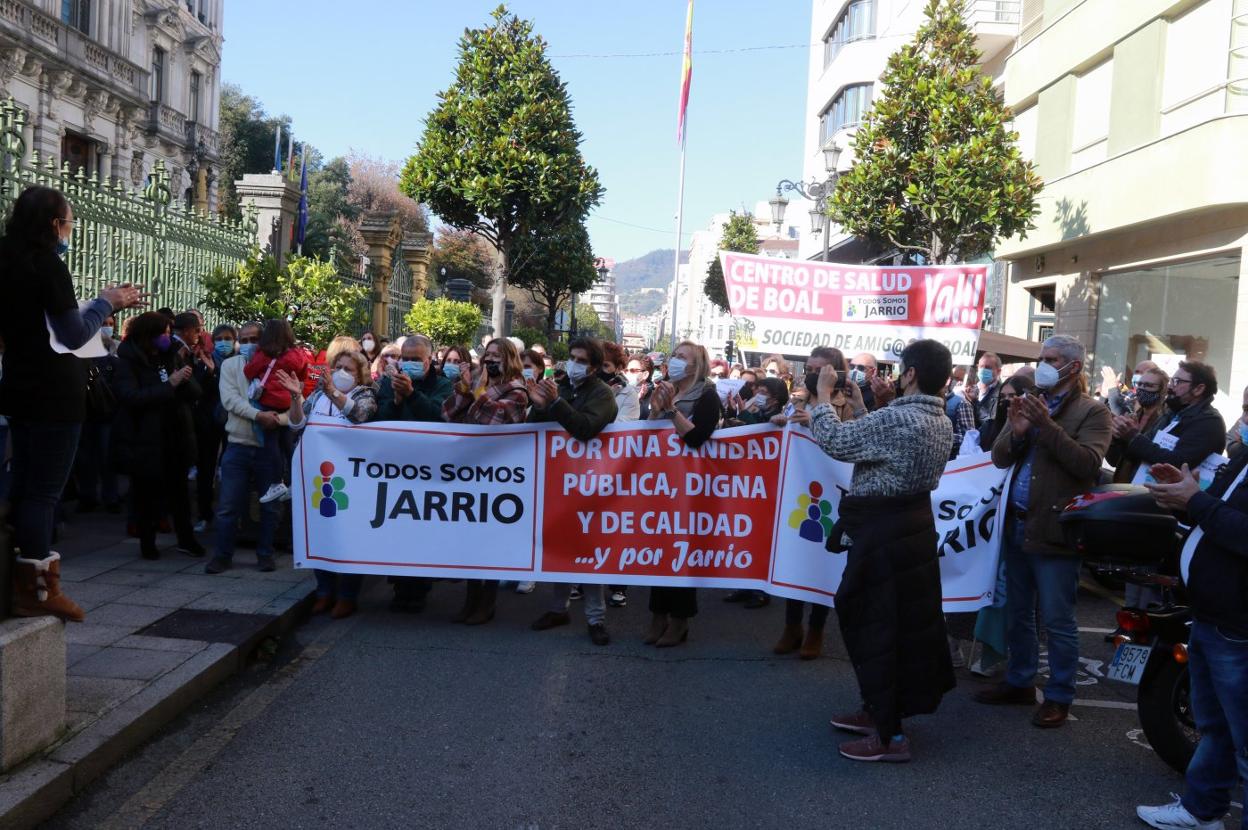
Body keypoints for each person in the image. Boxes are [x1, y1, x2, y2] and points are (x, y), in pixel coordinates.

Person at [790, 339, 955, 763]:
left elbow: (840, 443)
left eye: (902, 368)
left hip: (885, 531)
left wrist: (824, 396)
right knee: (896, 623)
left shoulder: (903, 420)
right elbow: (875, 442)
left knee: (876, 623)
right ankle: (878, 710)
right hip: (911, 527)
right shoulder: (936, 418)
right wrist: (864, 403)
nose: (897, 375)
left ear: (913, 373)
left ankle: (890, 735)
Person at [0, 186, 144, 621]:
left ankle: (15, 576)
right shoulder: (48, 266)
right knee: (44, 493)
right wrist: (107, 302)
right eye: (69, 222)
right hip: (55, 394)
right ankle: (40, 588)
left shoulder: (4, 257)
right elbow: (72, 335)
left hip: (17, 385)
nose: (70, 230)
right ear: (52, 224)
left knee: (21, 485)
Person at [975, 335, 1112, 729]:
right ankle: (1019, 681)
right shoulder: (1030, 400)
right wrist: (1017, 431)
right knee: (1017, 613)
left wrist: (1046, 426)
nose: (1044, 365)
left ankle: (1059, 696)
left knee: (1057, 618)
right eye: (1041, 358)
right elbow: (1000, 455)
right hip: (1018, 523)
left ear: (1074, 366)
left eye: (1051, 359)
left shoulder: (1092, 411)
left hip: (1055, 529)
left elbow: (1087, 464)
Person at [1135, 458, 1248, 830]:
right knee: (1215, 726)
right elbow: (1214, 517)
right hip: (1211, 617)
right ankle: (1203, 809)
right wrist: (1185, 498)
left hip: (1238, 626)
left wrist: (1195, 500)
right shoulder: (1243, 457)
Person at [528, 337, 619, 645]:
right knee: (561, 544)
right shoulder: (563, 388)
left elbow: (585, 428)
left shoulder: (602, 395)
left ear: (593, 367)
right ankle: (558, 609)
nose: (574, 364)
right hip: (559, 480)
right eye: (571, 357)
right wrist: (539, 407)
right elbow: (536, 426)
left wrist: (554, 403)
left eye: (581, 360)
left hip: (591, 482)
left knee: (588, 549)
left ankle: (596, 619)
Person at [774, 346, 862, 652]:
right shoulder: (797, 399)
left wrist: (813, 422)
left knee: (825, 557)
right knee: (795, 551)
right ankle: (791, 626)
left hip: (830, 492)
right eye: (809, 369)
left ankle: (816, 629)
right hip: (798, 490)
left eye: (818, 370)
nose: (811, 374)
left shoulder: (846, 403)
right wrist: (780, 421)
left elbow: (851, 441)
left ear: (833, 372)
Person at [284, 348, 378, 618]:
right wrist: (295, 398)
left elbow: (360, 416)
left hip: (351, 479)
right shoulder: (318, 395)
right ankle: (324, 591)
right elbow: (296, 424)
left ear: (360, 374)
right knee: (320, 531)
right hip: (320, 477)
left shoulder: (364, 394)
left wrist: (333, 393)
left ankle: (348, 596)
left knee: (349, 536)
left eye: (349, 369)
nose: (342, 373)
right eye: (338, 367)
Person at [443, 337, 530, 624]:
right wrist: (464, 391)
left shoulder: (518, 391)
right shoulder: (480, 385)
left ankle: (487, 602)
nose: (490, 360)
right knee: (470, 538)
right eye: (487, 354)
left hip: (499, 476)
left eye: (497, 356)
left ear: (509, 360)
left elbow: (493, 421)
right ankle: (470, 599)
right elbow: (447, 415)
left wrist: (479, 393)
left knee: (490, 540)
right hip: (471, 472)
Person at [644, 339, 720, 647]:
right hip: (661, 483)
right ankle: (657, 615)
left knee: (682, 552)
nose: (675, 360)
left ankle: (679, 620)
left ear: (695, 365)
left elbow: (698, 438)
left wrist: (672, 410)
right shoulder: (662, 390)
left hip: (690, 486)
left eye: (682, 357)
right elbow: (645, 433)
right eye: (674, 355)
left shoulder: (707, 396)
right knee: (659, 549)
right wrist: (656, 409)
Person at [111, 311, 203, 561]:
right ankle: (147, 542)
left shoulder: (170, 355)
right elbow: (131, 397)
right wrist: (168, 385)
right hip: (145, 439)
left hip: (176, 435)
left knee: (180, 493)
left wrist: (184, 377)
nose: (167, 337)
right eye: (162, 333)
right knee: (146, 495)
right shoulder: (128, 361)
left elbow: (194, 392)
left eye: (168, 332)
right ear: (148, 335)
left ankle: (186, 539)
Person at [372, 335, 453, 612]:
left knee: (422, 528)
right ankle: (399, 585)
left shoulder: (442, 384)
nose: (409, 364)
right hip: (395, 467)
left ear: (429, 361)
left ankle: (419, 587)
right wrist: (395, 400)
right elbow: (377, 419)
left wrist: (412, 395)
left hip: (429, 469)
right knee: (396, 526)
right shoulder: (387, 382)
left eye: (416, 360)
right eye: (405, 359)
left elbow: (439, 416)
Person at [205, 322, 284, 575]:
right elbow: (230, 400)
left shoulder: (277, 365)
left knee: (269, 506)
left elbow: (295, 405)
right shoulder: (230, 366)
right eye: (245, 339)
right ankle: (222, 555)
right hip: (238, 446)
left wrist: (277, 419)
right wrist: (258, 416)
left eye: (255, 339)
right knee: (229, 505)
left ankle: (265, 554)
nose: (250, 344)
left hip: (267, 448)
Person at [1111, 360, 1226, 482]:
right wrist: (1123, 436)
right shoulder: (1172, 414)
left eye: (1177, 382)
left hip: (1171, 498)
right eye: (1172, 380)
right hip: (1143, 488)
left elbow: (1178, 463)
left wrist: (1133, 437)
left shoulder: (1209, 422)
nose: (1170, 386)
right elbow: (1139, 452)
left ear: (1198, 389)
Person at [243, 319, 307, 504]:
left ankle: (276, 482)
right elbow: (303, 375)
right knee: (288, 444)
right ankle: (296, 482)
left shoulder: (263, 354)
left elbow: (248, 372)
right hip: (289, 402)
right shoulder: (297, 354)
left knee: (271, 445)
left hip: (269, 402)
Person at [187, 323, 235, 531]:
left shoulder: (241, 363)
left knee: (231, 469)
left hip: (233, 422)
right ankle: (204, 514)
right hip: (208, 422)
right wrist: (209, 372)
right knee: (206, 469)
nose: (224, 343)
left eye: (228, 338)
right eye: (219, 339)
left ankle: (231, 515)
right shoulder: (205, 361)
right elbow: (197, 390)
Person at [1105, 366, 1169, 484]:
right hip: (1123, 483)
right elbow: (1114, 460)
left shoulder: (1166, 420)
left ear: (1162, 390)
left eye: (1149, 385)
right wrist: (1115, 438)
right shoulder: (1132, 416)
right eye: (1140, 384)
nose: (1142, 388)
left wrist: (1132, 436)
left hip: (1146, 485)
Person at [978, 375, 1036, 452]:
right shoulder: (989, 427)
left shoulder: (1034, 428)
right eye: (1002, 396)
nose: (1006, 400)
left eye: (1012, 396)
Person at [602, 341, 640, 422]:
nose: (599, 370)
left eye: (605, 365)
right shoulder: (585, 387)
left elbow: (620, 428)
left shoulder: (629, 394)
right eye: (596, 364)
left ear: (618, 368)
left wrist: (606, 399)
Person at [973, 352, 1003, 426]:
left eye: (988, 367)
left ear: (998, 371)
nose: (983, 370)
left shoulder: (1002, 393)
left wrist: (974, 402)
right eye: (981, 366)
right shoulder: (972, 389)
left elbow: (990, 422)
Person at [1225, 384, 1248, 461]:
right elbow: (1229, 439)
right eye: (1246, 409)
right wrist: (1241, 446)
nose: (1246, 420)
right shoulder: (1242, 420)